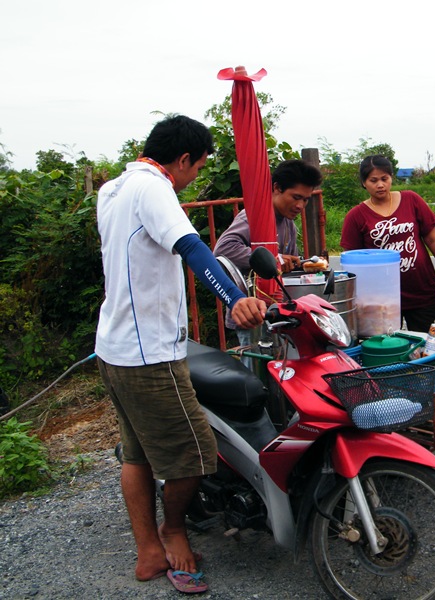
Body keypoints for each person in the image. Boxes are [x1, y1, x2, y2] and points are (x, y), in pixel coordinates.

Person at [95, 115, 267, 592]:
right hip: (149, 355)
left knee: (138, 453)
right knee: (195, 453)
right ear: (184, 158)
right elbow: (192, 248)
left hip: (113, 348)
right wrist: (237, 300)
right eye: (198, 168)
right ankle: (173, 532)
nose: (195, 178)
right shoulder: (154, 188)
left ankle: (148, 551)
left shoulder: (112, 190)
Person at [213, 159, 323, 357]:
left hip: (276, 312)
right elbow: (223, 249)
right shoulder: (253, 218)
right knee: (259, 369)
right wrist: (277, 259)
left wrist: (295, 263)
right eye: (296, 197)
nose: (300, 205)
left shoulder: (289, 224)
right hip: (252, 315)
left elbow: (281, 264)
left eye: (306, 199)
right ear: (276, 188)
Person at [340, 155, 435, 333]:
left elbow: (433, 239)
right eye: (373, 180)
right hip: (380, 300)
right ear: (364, 182)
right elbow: (352, 263)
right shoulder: (356, 216)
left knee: (431, 348)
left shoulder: (411, 200)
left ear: (391, 178)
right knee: (386, 350)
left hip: (422, 293)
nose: (380, 185)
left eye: (384, 179)